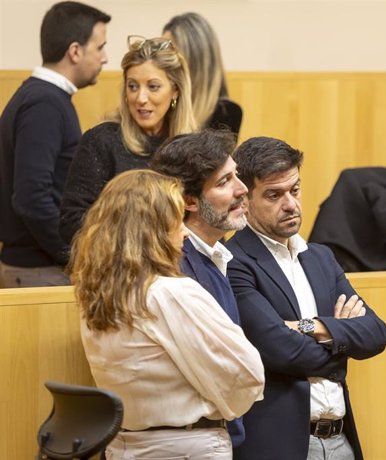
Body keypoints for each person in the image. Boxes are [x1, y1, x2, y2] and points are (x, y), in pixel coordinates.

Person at [71, 169, 264, 459]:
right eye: (176, 221)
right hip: (186, 446)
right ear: (154, 230)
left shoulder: (96, 297)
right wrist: (224, 406)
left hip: (124, 446)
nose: (185, 231)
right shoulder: (170, 293)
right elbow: (247, 374)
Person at [226, 137, 386, 460]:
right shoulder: (235, 262)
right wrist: (341, 344)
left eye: (295, 190)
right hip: (283, 445)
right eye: (274, 195)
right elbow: (280, 349)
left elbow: (376, 333)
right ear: (244, 199)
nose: (290, 204)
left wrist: (309, 327)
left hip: (342, 440)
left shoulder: (321, 257)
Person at [150, 129, 250, 448]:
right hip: (187, 442)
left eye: (237, 176)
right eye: (224, 182)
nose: (242, 189)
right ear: (189, 201)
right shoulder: (176, 267)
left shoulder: (214, 255)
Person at [0, 1, 110, 288]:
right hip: (40, 269)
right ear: (75, 51)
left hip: (43, 265)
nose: (105, 58)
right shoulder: (44, 103)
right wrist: (75, 256)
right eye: (99, 47)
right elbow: (31, 197)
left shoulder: (46, 99)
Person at [59, 35, 197, 244]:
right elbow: (71, 222)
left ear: (175, 90)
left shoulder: (193, 148)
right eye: (133, 86)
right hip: (118, 269)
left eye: (153, 87)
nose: (140, 98)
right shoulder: (101, 141)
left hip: (182, 269)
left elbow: (206, 223)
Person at [163, 12, 243, 134]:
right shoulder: (157, 102)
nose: (161, 60)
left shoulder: (226, 113)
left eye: (171, 53)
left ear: (196, 60)